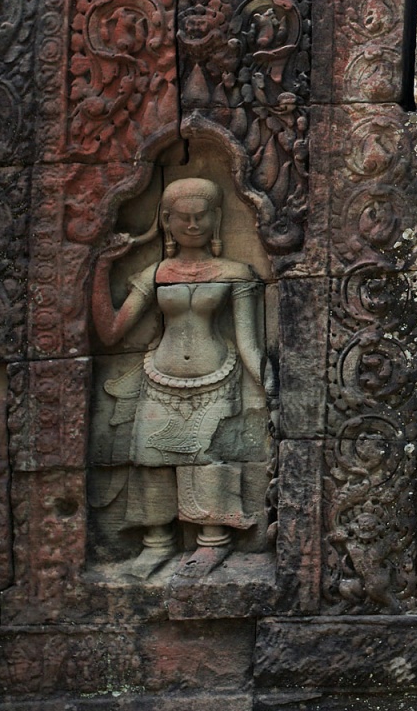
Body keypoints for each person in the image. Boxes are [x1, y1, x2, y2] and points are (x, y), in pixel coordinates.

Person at [91, 177, 269, 579]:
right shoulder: (155, 273)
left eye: (201, 216)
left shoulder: (235, 272)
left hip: (216, 378)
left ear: (217, 218)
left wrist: (265, 381)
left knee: (207, 461)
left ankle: (211, 542)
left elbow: (249, 344)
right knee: (150, 461)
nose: (192, 225)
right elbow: (111, 332)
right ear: (166, 221)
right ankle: (157, 544)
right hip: (159, 379)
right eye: (182, 218)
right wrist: (101, 267)